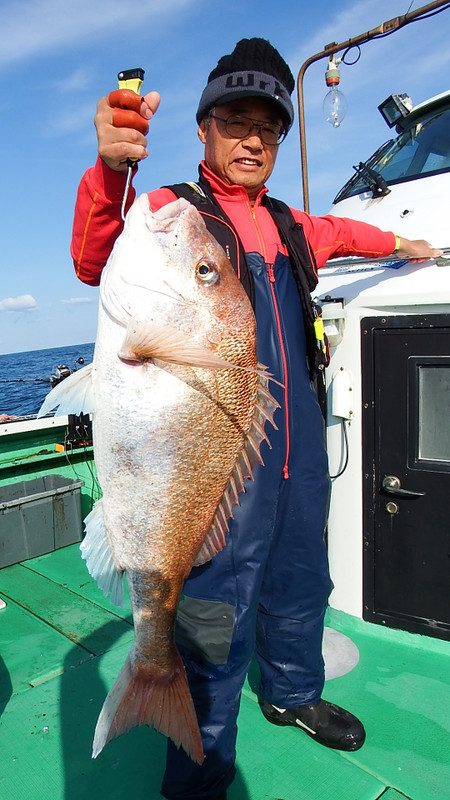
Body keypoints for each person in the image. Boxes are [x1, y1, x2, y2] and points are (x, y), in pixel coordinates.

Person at [71, 38, 442, 800]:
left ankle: (292, 690)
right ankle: (199, 765)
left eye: (267, 128)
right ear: (204, 130)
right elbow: (95, 253)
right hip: (215, 459)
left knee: (304, 579)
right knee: (212, 613)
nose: (252, 140)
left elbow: (348, 235)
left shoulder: (291, 223)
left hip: (296, 448)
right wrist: (111, 167)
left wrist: (404, 243)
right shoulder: (172, 212)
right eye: (235, 122)